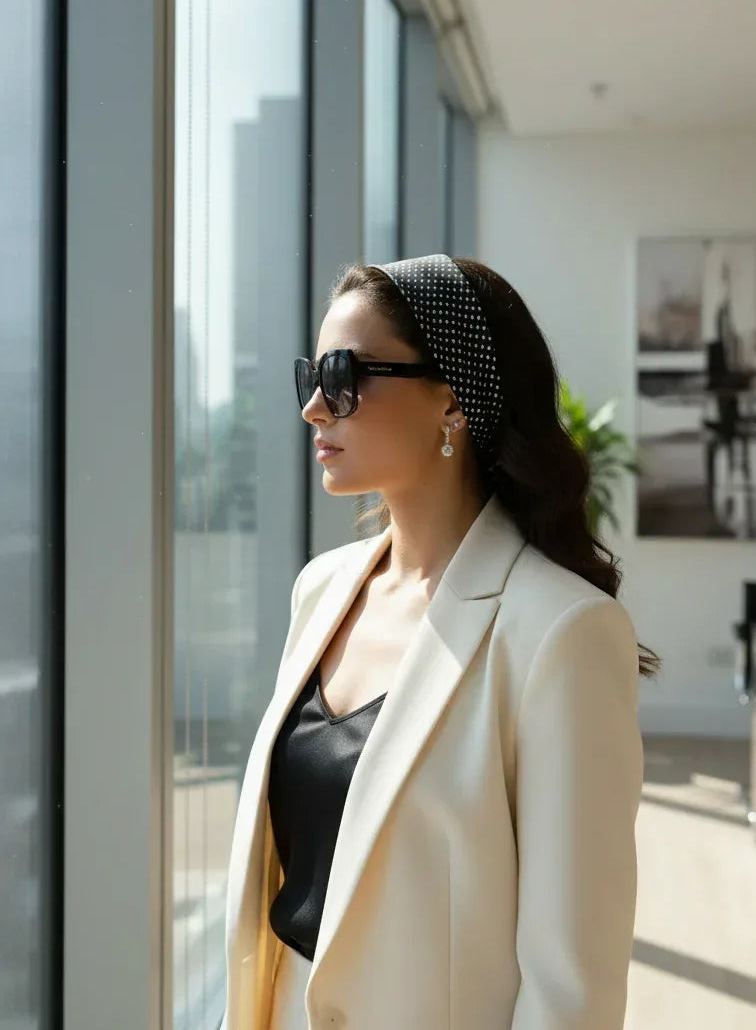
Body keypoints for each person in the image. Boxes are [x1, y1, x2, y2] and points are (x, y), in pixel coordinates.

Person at [221, 253, 660, 1030]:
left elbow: (571, 990)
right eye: (310, 377)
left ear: (453, 399)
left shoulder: (562, 634)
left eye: (344, 375)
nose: (316, 408)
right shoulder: (322, 590)